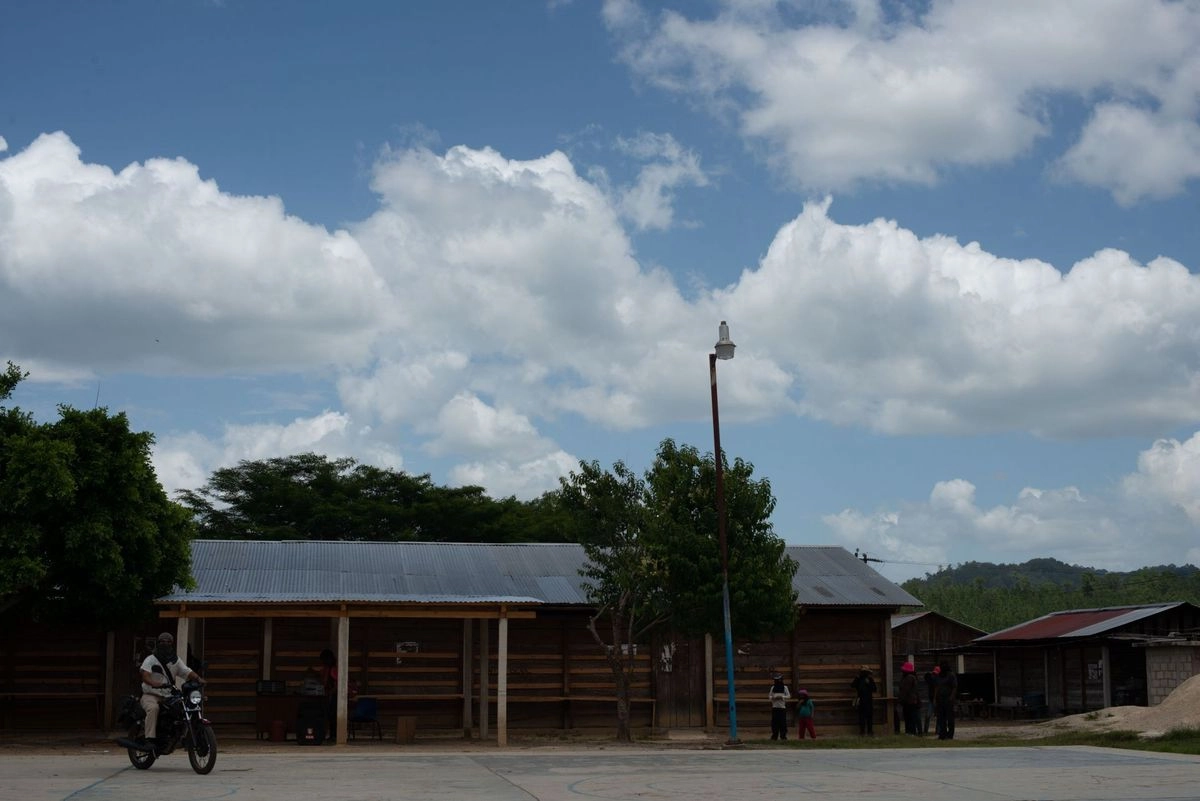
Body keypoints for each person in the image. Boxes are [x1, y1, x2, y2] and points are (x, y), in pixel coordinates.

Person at [139, 632, 204, 749]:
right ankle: (149, 739)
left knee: (181, 708)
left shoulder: (175, 660)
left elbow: (186, 671)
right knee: (153, 708)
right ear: (158, 643)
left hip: (168, 695)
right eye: (162, 642)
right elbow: (145, 675)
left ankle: (178, 735)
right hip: (151, 694)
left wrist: (198, 678)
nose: (165, 644)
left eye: (168, 642)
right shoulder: (151, 659)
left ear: (172, 644)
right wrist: (154, 683)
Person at [934, 661, 958, 740]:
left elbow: (954, 687)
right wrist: (935, 698)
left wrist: (951, 697)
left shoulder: (951, 675)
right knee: (941, 718)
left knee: (950, 718)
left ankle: (950, 735)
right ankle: (942, 734)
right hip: (940, 699)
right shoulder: (939, 676)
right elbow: (937, 687)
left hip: (948, 699)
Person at [850, 666, 877, 735]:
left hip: (868, 700)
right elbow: (852, 685)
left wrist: (869, 684)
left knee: (869, 717)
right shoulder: (858, 679)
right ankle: (862, 732)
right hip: (861, 700)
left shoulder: (870, 679)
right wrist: (857, 678)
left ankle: (870, 731)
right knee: (861, 717)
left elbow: (874, 689)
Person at [319, 648, 338, 743]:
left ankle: (334, 735)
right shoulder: (328, 669)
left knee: (332, 715)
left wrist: (331, 692)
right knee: (330, 715)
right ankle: (331, 735)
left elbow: (336, 683)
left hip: (334, 696)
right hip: (330, 695)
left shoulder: (332, 669)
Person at [898, 661, 920, 735]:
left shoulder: (909, 678)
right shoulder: (911, 677)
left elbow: (905, 690)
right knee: (910, 717)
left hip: (909, 701)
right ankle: (910, 731)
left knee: (909, 717)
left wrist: (901, 699)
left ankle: (911, 732)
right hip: (910, 701)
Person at [768, 673, 790, 740]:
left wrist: (782, 697)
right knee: (774, 723)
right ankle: (774, 736)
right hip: (775, 707)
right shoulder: (773, 687)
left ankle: (783, 736)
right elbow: (769, 696)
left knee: (783, 723)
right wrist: (774, 697)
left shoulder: (785, 687)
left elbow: (788, 696)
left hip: (782, 708)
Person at [922, 667, 938, 735]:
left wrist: (934, 699)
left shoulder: (937, 681)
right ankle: (926, 731)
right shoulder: (932, 680)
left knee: (938, 717)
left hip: (936, 700)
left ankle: (938, 731)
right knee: (928, 716)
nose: (934, 675)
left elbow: (936, 690)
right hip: (932, 700)